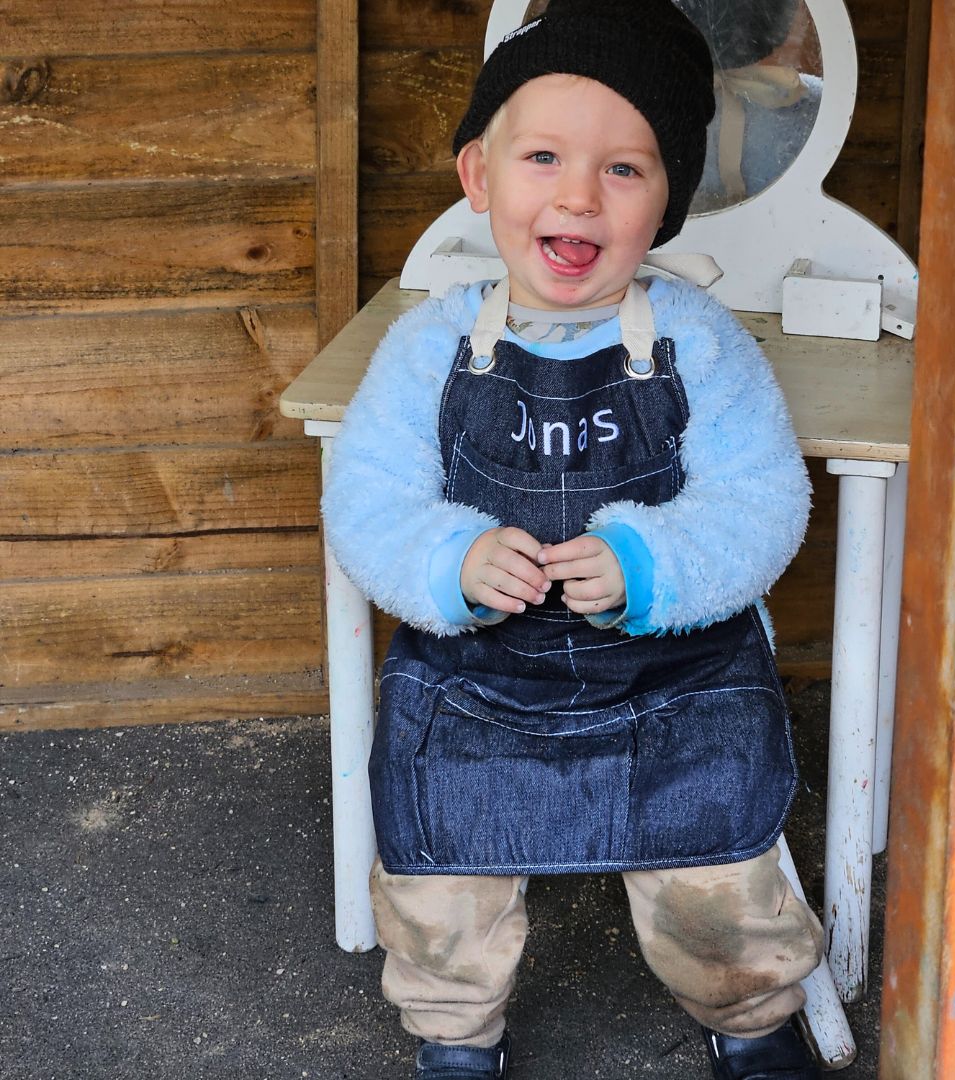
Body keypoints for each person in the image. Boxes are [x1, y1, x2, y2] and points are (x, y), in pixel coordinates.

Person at [322, 2, 824, 1077]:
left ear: (666, 205)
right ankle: (456, 1042)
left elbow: (761, 499)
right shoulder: (430, 346)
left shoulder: (699, 341)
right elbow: (366, 496)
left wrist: (655, 565)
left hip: (670, 679)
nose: (578, 196)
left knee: (720, 891)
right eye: (542, 155)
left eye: (626, 170)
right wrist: (448, 561)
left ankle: (753, 1023)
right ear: (479, 176)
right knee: (439, 888)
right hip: (478, 681)